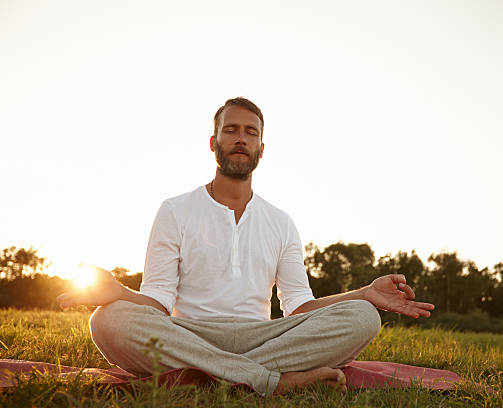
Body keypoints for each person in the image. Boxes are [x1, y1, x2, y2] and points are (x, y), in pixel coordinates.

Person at [57, 97, 435, 396]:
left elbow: (299, 307)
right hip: (191, 333)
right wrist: (117, 292)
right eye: (231, 130)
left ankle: (215, 374)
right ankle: (272, 382)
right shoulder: (175, 210)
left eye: (250, 132)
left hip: (265, 337)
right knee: (107, 320)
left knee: (363, 315)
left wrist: (365, 293)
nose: (241, 138)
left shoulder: (281, 221)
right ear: (213, 142)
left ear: (261, 148)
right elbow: (156, 300)